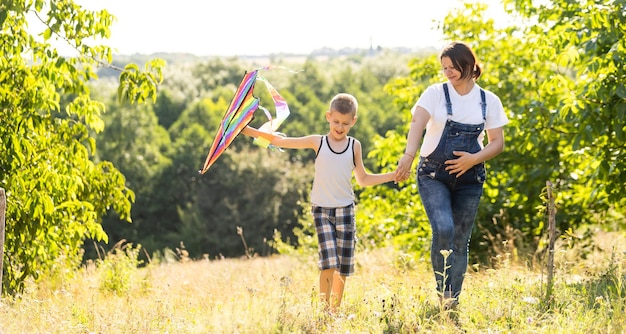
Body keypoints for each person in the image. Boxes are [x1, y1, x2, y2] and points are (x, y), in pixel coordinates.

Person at [242, 93, 395, 313]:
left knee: (342, 267)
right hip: (322, 211)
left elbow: (363, 179)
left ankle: (335, 311)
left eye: (345, 123)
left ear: (354, 121)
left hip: (345, 211)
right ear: (328, 117)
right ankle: (324, 311)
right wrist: (248, 130)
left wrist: (391, 175)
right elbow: (280, 140)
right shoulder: (318, 142)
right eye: (336, 122)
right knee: (328, 262)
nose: (340, 127)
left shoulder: (355, 146)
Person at [394, 41, 509, 309]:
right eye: (444, 68)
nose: (448, 72)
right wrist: (408, 156)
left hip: (470, 179)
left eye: (452, 66)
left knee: (460, 238)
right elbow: (417, 124)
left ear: (468, 64)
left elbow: (497, 143)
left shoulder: (488, 101)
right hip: (433, 175)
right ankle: (442, 288)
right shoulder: (434, 94)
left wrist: (473, 159)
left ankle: (451, 300)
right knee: (444, 228)